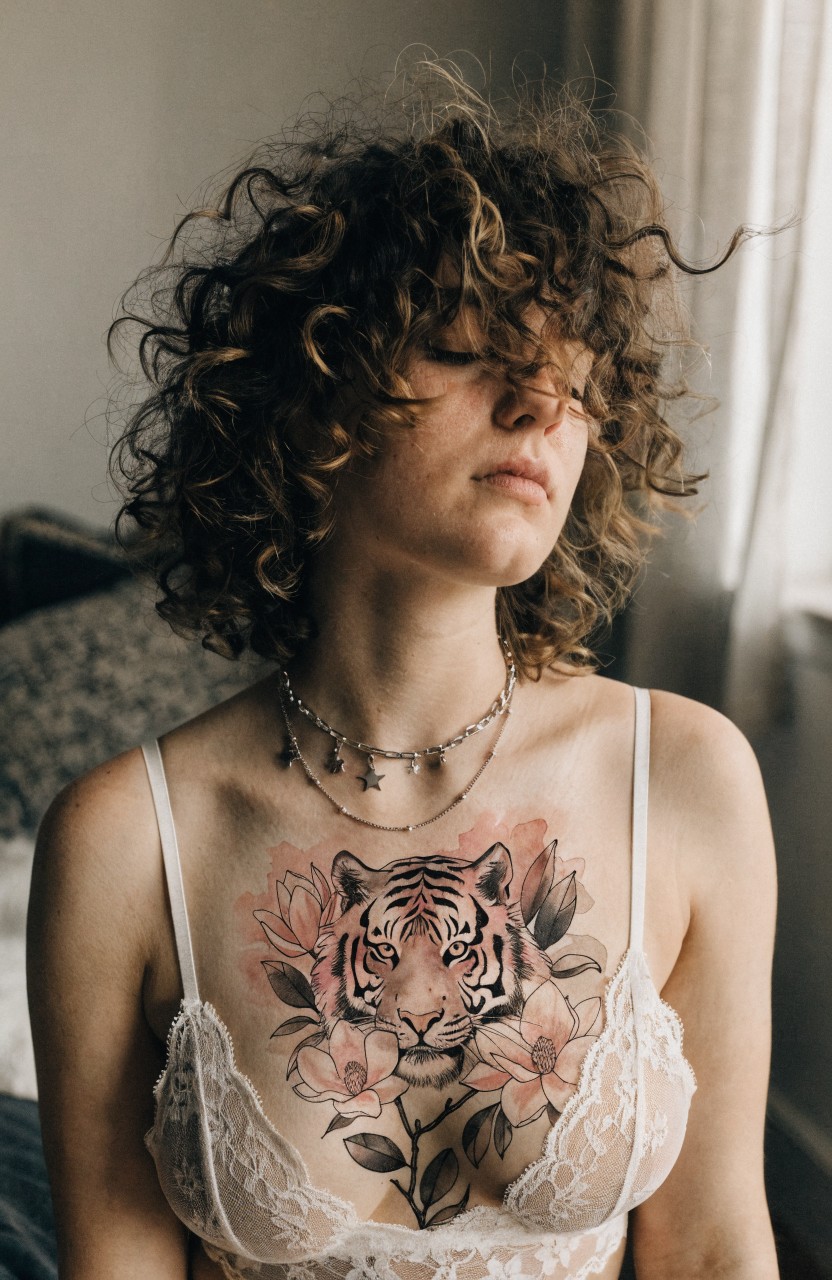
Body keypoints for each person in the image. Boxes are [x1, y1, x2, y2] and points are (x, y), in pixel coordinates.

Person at [26, 66, 779, 1280]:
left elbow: (711, 1248)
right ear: (317, 400)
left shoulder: (687, 776)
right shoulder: (121, 842)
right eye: (466, 347)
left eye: (573, 372)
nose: (542, 400)